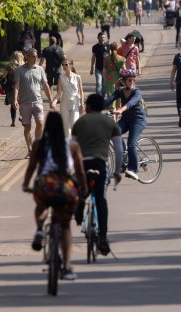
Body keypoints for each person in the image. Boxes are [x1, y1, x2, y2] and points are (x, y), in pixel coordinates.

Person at [22, 111, 87, 281]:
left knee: (41, 206)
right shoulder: (72, 145)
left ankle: (38, 230)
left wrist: (26, 184)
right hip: (65, 185)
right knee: (65, 226)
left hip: (45, 183)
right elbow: (79, 170)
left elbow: (31, 168)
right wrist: (83, 189)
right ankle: (66, 266)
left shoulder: (39, 144)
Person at [71, 93, 123, 256]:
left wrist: (72, 167)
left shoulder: (79, 122)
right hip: (100, 164)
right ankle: (102, 237)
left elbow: (71, 146)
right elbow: (119, 150)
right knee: (101, 199)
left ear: (89, 106)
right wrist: (117, 172)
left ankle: (80, 199)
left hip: (82, 163)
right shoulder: (111, 123)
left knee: (79, 187)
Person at [13, 48, 55, 156]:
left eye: (36, 56)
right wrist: (15, 99)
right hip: (24, 102)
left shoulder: (40, 69)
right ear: (27, 57)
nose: (35, 58)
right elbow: (17, 85)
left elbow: (45, 85)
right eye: (33, 56)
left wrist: (51, 100)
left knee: (40, 124)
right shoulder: (19, 70)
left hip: (37, 101)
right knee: (27, 127)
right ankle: (30, 149)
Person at [106, 69, 146, 181]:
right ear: (123, 82)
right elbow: (108, 100)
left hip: (138, 121)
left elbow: (130, 103)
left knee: (131, 144)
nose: (132, 82)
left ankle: (133, 169)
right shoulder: (119, 91)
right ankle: (123, 158)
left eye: (134, 80)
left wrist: (121, 109)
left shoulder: (137, 92)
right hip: (126, 120)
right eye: (130, 80)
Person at [57, 57, 83, 137]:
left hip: (75, 104)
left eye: (66, 64)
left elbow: (81, 91)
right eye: (63, 65)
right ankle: (67, 146)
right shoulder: (61, 77)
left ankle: (76, 144)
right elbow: (59, 93)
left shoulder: (77, 77)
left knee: (74, 125)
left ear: (71, 66)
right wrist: (54, 102)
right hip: (64, 105)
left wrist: (82, 104)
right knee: (65, 128)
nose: (64, 66)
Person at [0, 51, 24, 127]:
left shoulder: (10, 66)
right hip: (22, 87)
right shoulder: (23, 66)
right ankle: (21, 115)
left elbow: (3, 76)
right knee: (22, 103)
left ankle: (13, 121)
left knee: (13, 104)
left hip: (11, 88)